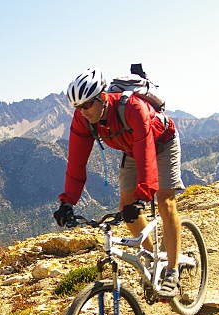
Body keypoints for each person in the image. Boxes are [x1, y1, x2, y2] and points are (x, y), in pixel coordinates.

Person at [53, 67, 185, 298]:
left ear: (102, 97)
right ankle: (154, 262)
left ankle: (173, 270)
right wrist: (67, 202)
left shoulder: (133, 108)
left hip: (162, 143)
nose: (83, 111)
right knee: (126, 207)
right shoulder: (83, 120)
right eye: (77, 107)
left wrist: (144, 196)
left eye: (87, 105)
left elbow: (147, 155)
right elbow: (76, 163)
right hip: (132, 150)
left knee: (165, 201)